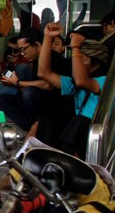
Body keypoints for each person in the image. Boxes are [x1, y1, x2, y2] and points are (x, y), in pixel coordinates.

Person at [37, 22, 108, 158]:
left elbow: (82, 80)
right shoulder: (74, 84)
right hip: (76, 137)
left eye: (83, 60)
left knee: (80, 121)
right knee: (48, 122)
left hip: (96, 138)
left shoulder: (104, 81)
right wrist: (47, 38)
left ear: (95, 66)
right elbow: (43, 73)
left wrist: (75, 47)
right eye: (76, 58)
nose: (76, 62)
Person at [0, 29, 55, 131]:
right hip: (33, 97)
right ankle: (30, 127)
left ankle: (37, 127)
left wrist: (17, 82)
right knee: (3, 99)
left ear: (36, 45)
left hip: (52, 105)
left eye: (23, 49)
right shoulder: (35, 60)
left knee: (28, 91)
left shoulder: (52, 58)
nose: (22, 53)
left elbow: (48, 85)